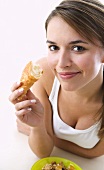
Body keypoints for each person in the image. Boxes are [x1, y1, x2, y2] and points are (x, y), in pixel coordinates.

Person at [9, 0, 104, 159]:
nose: (61, 63)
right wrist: (38, 127)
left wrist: (42, 135)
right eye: (54, 47)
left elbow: (94, 153)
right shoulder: (44, 75)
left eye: (78, 48)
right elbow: (43, 152)